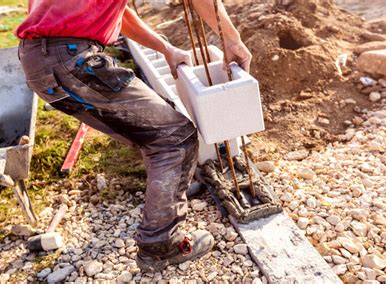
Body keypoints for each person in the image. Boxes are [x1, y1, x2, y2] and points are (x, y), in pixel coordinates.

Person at [16, 0, 252, 272]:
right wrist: (233, 40)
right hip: (72, 59)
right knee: (174, 137)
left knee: (154, 132)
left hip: (40, 61)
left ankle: (170, 191)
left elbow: (120, 12)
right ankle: (160, 246)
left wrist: (166, 49)